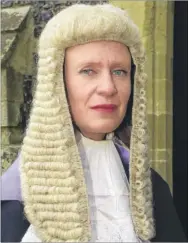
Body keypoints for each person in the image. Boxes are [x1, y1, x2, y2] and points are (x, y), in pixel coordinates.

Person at [1, 3, 187, 243]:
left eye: (120, 71)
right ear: (58, 81)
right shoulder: (13, 199)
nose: (108, 87)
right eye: (88, 71)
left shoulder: (153, 191)